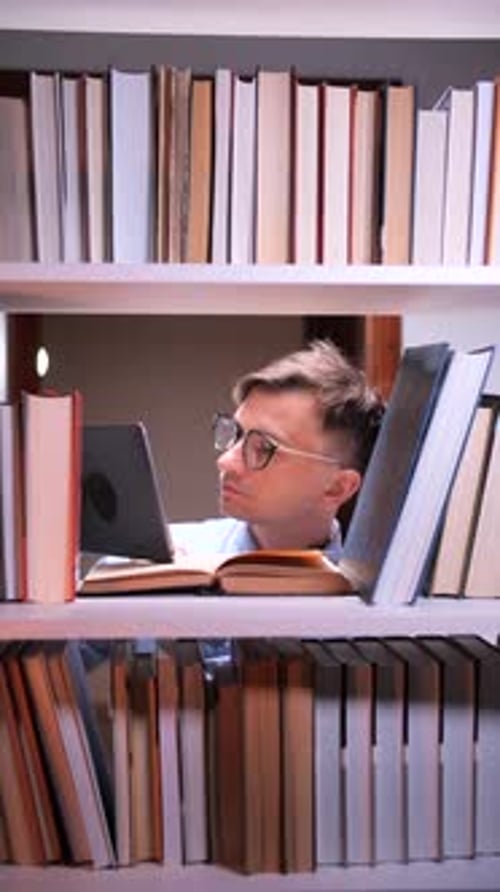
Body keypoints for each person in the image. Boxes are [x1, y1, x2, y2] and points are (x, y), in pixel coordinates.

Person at [171, 339, 385, 562]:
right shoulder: (170, 560)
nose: (225, 462)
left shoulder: (369, 589)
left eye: (264, 448)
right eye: (237, 434)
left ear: (337, 487)